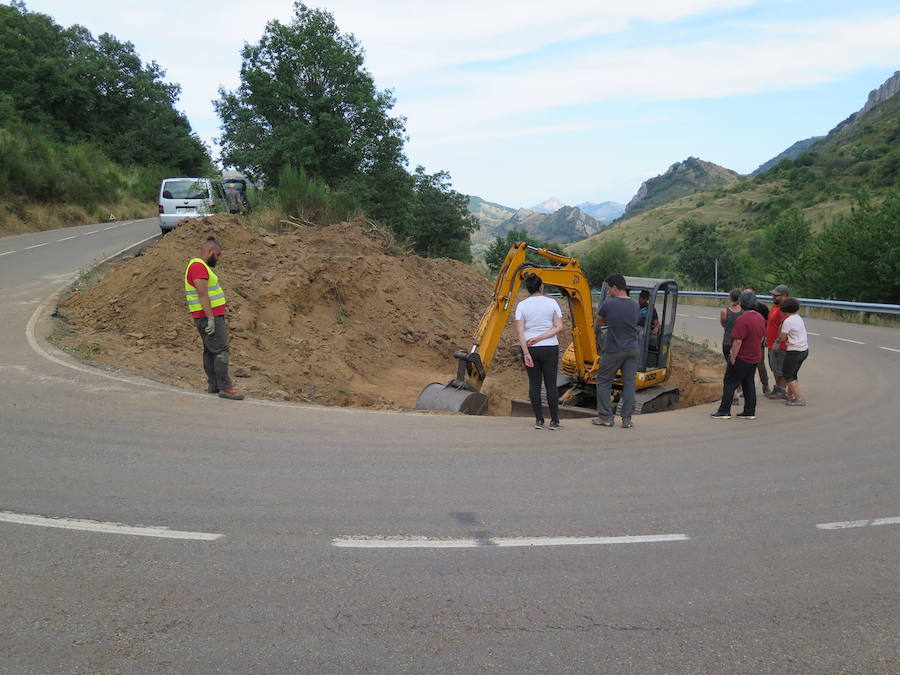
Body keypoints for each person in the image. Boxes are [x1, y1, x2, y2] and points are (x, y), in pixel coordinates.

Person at [184, 236, 244, 400]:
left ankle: (214, 385)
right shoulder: (198, 267)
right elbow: (202, 294)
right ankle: (225, 388)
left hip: (205, 315)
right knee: (220, 350)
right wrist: (211, 318)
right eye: (217, 255)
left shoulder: (198, 266)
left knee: (210, 351)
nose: (218, 259)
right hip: (208, 316)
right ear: (209, 251)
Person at [515, 273, 564, 430]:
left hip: (529, 349)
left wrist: (526, 352)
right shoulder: (552, 303)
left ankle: (539, 420)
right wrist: (541, 337)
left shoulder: (522, 305)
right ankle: (554, 421)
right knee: (551, 384)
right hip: (550, 348)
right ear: (541, 286)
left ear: (528, 288)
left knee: (534, 384)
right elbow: (559, 327)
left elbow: (520, 331)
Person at [594, 273, 640, 429]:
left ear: (614, 287)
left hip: (614, 349)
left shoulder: (609, 304)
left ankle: (606, 417)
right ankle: (626, 419)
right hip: (632, 349)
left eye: (609, 289)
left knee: (603, 380)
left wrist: (608, 322)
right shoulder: (635, 305)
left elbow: (599, 321)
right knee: (628, 384)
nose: (609, 292)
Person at [711, 290, 766, 420]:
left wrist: (733, 357)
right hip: (754, 356)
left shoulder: (742, 320)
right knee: (748, 383)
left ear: (741, 303)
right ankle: (749, 411)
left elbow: (737, 341)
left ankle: (724, 410)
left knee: (729, 382)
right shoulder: (760, 317)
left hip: (742, 357)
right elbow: (763, 336)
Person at [777, 297, 809, 406]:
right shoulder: (797, 317)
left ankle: (799, 399)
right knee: (793, 373)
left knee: (787, 375)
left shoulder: (788, 321)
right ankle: (791, 396)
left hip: (794, 350)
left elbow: (782, 338)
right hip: (803, 349)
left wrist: (779, 338)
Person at [743, 285, 770, 394]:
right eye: (745, 293)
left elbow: (768, 323)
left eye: (749, 293)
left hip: (759, 340)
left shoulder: (762, 308)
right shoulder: (741, 308)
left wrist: (766, 336)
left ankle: (765, 385)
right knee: (743, 364)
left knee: (760, 364)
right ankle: (742, 387)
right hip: (745, 340)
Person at [764, 284, 790, 399]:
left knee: (780, 369)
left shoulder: (784, 310)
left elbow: (784, 326)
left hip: (780, 345)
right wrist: (765, 337)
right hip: (771, 343)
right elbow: (770, 323)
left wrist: (778, 341)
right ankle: (778, 388)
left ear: (785, 296)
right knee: (774, 367)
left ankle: (782, 390)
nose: (773, 296)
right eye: (773, 294)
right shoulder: (775, 307)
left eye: (777, 295)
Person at [720, 288, 744, 406]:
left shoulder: (725, 311)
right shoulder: (744, 312)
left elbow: (723, 324)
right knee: (740, 367)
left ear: (730, 297)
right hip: (741, 343)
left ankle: (734, 395)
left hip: (728, 342)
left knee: (730, 368)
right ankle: (739, 389)